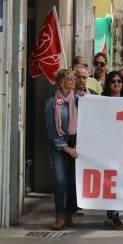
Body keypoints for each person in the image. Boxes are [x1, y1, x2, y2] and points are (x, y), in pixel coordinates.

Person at [45, 69, 79, 230]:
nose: (73, 81)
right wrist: (64, 147)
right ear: (61, 82)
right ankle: (59, 215)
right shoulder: (51, 103)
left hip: (76, 145)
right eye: (69, 78)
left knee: (72, 181)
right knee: (60, 181)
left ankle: (69, 213)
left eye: (74, 78)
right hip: (59, 147)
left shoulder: (79, 100)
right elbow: (51, 128)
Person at [102, 71, 123, 228]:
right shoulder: (100, 101)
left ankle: (115, 211)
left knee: (120, 178)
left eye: (119, 81)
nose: (116, 84)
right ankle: (112, 213)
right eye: (113, 81)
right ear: (108, 84)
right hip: (107, 145)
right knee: (110, 178)